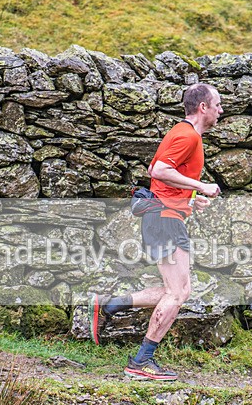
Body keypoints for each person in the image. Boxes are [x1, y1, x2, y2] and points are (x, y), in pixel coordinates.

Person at [90, 83, 223, 380]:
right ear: (203, 107)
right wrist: (202, 186)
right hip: (164, 219)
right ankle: (140, 362)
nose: (220, 110)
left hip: (164, 215)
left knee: (175, 291)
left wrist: (190, 198)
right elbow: (159, 170)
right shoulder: (187, 135)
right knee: (178, 293)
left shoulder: (184, 134)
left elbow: (162, 177)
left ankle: (109, 305)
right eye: (217, 104)